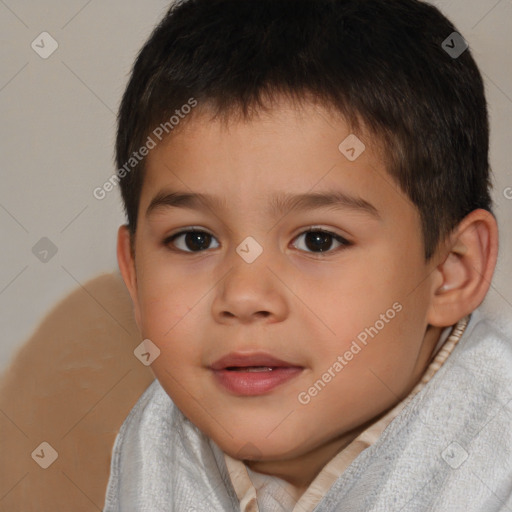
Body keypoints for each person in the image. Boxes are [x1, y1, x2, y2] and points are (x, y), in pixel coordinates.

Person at [103, 0, 512, 510]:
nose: (244, 297)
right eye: (195, 240)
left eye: (319, 240)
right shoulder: (153, 441)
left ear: (451, 271)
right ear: (135, 275)